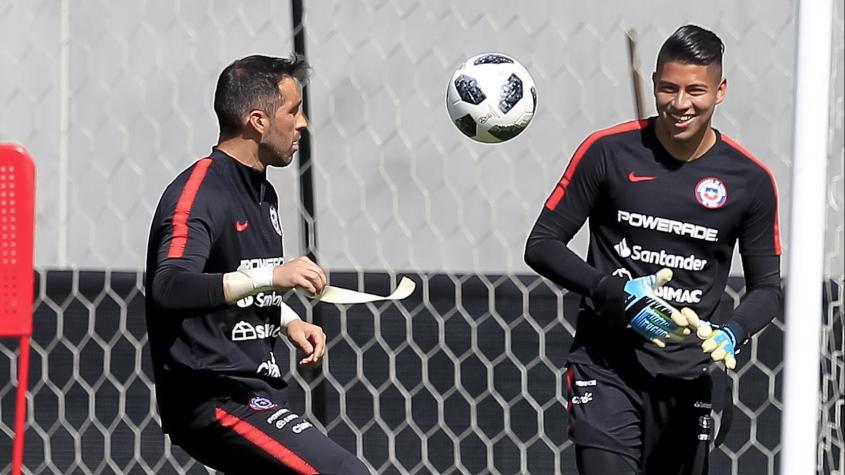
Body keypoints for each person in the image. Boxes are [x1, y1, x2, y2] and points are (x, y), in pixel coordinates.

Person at [524, 25, 782, 475]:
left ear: (720, 91)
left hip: (688, 376)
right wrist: (612, 292)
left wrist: (732, 333)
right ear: (654, 84)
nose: (680, 104)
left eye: (695, 90)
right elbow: (542, 245)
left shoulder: (750, 180)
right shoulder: (608, 152)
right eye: (668, 88)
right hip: (606, 368)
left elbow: (767, 289)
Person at [145, 54, 369, 474]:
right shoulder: (198, 194)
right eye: (293, 110)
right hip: (215, 398)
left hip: (254, 391)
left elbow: (237, 277)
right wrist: (274, 275)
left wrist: (288, 323)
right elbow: (170, 287)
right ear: (257, 121)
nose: (302, 123)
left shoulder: (263, 193)